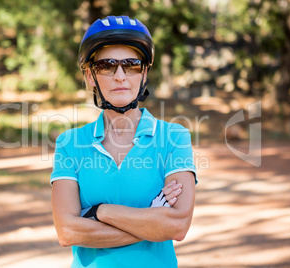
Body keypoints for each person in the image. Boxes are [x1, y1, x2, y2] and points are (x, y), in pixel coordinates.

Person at [50, 15, 197, 267]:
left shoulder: (174, 137)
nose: (120, 76)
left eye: (132, 65)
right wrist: (150, 222)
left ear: (145, 73)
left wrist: (99, 212)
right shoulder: (70, 143)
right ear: (89, 76)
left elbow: (177, 225)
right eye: (107, 65)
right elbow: (68, 232)